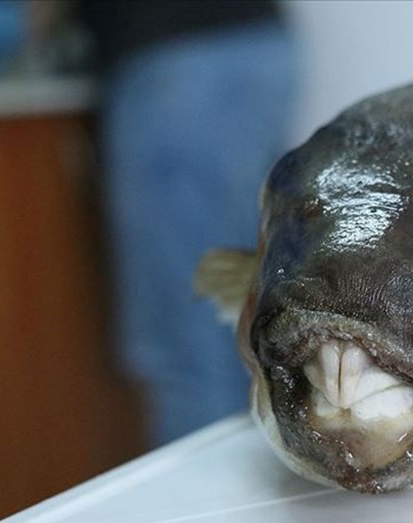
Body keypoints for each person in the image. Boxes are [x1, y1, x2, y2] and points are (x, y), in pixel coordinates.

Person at [82, 1, 298, 445]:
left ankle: (216, 514)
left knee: (188, 351)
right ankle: (258, 505)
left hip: (179, 65)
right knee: (247, 328)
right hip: (252, 47)